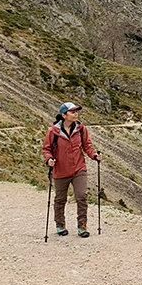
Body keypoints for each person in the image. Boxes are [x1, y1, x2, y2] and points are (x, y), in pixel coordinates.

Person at [42, 102, 100, 238]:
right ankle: (60, 225)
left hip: (79, 168)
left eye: (76, 111)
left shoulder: (80, 129)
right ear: (64, 115)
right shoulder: (53, 132)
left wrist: (94, 155)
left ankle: (82, 226)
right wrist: (49, 159)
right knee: (60, 199)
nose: (76, 114)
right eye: (72, 112)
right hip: (60, 170)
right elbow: (46, 149)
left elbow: (87, 145)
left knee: (81, 196)